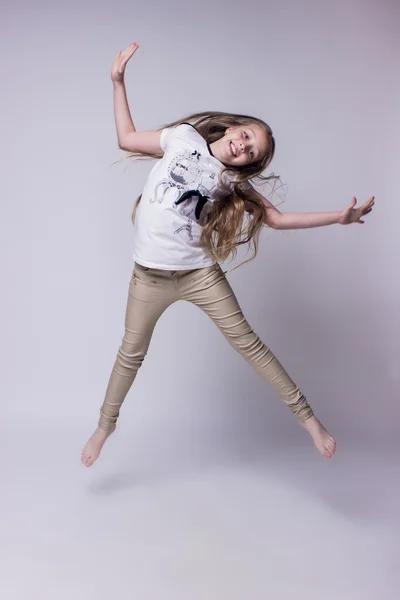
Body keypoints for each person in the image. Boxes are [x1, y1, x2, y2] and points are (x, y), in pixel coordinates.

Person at [81, 43, 374, 467]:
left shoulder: (231, 180)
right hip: (148, 278)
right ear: (234, 127)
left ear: (248, 164)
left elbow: (275, 218)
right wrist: (118, 82)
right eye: (247, 135)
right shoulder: (181, 137)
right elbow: (126, 137)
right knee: (130, 353)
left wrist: (339, 218)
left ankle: (308, 419)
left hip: (199, 275)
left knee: (250, 345)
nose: (244, 145)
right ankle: (105, 427)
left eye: (252, 151)